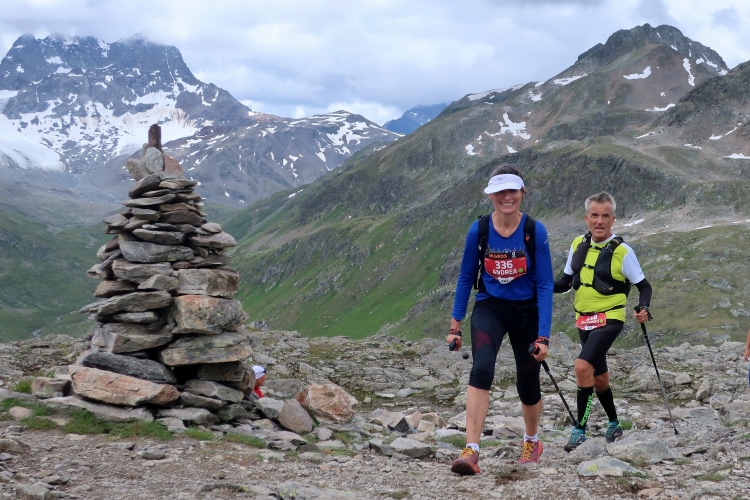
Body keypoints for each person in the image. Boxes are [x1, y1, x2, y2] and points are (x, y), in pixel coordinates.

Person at [448, 162, 554, 474]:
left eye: (512, 191)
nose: (506, 197)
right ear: (491, 195)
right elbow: (465, 277)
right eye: (499, 192)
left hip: (526, 312)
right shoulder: (479, 230)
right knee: (481, 369)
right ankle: (471, 450)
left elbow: (545, 284)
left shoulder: (535, 231)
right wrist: (455, 325)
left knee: (527, 381)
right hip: (490, 308)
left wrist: (543, 336)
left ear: (523, 193)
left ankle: (532, 441)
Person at [553, 191, 652, 452]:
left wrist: (643, 307)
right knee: (599, 378)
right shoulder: (578, 244)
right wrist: (536, 285)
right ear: (586, 218)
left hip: (610, 319)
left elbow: (644, 286)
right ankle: (614, 424)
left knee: (582, 367)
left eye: (605, 216)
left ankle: (580, 430)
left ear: (613, 219)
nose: (599, 221)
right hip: (583, 320)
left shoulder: (623, 251)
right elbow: (564, 283)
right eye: (594, 215)